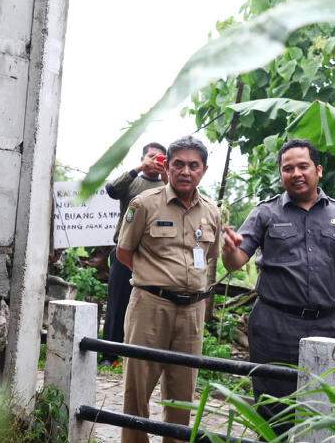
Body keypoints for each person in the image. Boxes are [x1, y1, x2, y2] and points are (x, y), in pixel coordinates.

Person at [221, 139, 335, 429]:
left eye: (303, 166)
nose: (296, 173)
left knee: (323, 412)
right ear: (281, 174)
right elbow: (237, 261)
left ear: (319, 170)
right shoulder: (265, 213)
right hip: (273, 327)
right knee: (273, 412)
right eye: (288, 168)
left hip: (327, 328)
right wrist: (229, 250)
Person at [116, 136, 221, 443]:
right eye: (178, 164)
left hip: (192, 313)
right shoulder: (144, 204)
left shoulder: (212, 212)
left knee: (183, 393)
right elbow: (124, 252)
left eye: (193, 165)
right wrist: (156, 277)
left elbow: (210, 258)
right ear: (167, 167)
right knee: (137, 390)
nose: (185, 171)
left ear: (203, 170)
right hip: (150, 306)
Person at [99, 142, 167, 367]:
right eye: (151, 156)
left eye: (161, 157)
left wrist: (167, 175)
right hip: (123, 251)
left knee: (148, 305)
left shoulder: (168, 186)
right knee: (117, 303)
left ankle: (139, 356)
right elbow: (111, 190)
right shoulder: (133, 181)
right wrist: (138, 168)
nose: (155, 160)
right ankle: (110, 355)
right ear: (143, 158)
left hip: (153, 256)